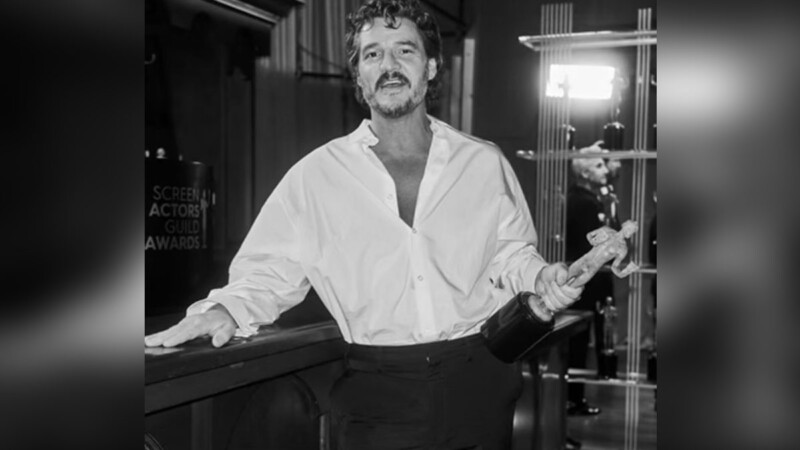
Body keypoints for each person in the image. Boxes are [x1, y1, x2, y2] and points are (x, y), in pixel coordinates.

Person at [145, 1, 582, 448]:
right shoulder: (315, 176)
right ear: (358, 75)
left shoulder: (483, 162)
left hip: (481, 380)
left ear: (431, 67)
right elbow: (266, 273)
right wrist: (224, 310)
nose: (388, 66)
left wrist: (541, 275)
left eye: (404, 50)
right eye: (373, 54)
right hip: (378, 396)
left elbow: (511, 254)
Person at [565, 146, 617, 417]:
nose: (605, 170)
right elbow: (600, 245)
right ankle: (573, 398)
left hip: (586, 280)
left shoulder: (584, 199)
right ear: (584, 173)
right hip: (588, 282)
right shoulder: (585, 203)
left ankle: (574, 398)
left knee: (581, 341)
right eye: (598, 166)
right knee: (579, 341)